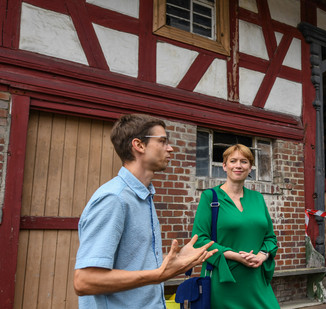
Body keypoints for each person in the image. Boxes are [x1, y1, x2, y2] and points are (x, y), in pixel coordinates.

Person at [74, 114, 216, 308]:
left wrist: (175, 259)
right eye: (162, 141)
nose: (170, 148)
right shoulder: (114, 199)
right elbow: (84, 281)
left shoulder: (143, 196)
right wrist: (159, 274)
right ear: (139, 145)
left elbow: (135, 264)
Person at [191, 144, 280, 308]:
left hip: (256, 279)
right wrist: (234, 255)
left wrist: (262, 255)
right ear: (224, 166)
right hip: (224, 280)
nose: (238, 165)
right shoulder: (210, 197)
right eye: (233, 161)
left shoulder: (257, 198)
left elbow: (270, 238)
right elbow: (199, 240)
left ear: (250, 167)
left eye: (244, 161)